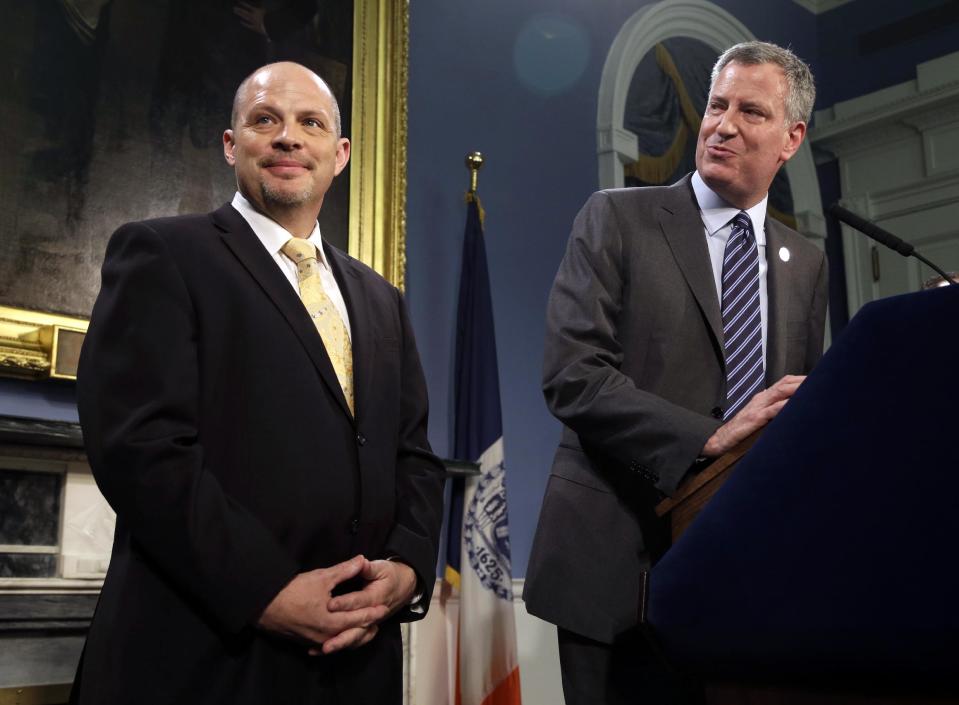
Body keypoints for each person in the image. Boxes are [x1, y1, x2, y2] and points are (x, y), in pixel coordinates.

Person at [72, 61, 445, 705]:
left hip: (354, 664)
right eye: (265, 120)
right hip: (206, 654)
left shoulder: (382, 300)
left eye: (311, 124)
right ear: (230, 143)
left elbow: (413, 456)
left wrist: (409, 571)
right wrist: (265, 589)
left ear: (341, 154)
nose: (288, 138)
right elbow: (142, 451)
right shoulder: (163, 254)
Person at [524, 41, 828, 704]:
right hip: (612, 572)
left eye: (750, 111)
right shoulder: (616, 217)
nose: (721, 123)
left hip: (738, 580)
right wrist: (704, 437)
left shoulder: (803, 263)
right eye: (717, 105)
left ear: (791, 138)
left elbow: (796, 411)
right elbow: (572, 373)